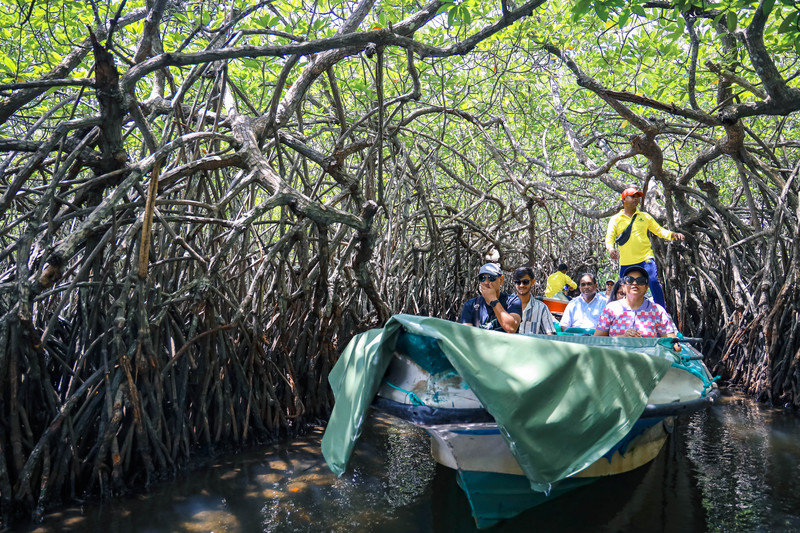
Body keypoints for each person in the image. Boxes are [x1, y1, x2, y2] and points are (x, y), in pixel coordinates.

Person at [604, 186, 685, 308]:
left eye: (638, 197)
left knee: (652, 281)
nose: (636, 199)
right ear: (624, 199)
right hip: (627, 261)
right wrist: (611, 249)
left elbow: (658, 230)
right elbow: (609, 237)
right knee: (624, 288)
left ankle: (660, 310)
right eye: (633, 196)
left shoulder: (645, 216)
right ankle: (625, 311)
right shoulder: (615, 219)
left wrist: (672, 235)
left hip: (645, 258)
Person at [594, 266, 680, 350]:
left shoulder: (658, 311)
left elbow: (674, 345)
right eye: (629, 280)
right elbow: (596, 341)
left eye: (640, 281)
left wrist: (645, 343)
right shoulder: (611, 308)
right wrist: (622, 338)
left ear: (646, 288)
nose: (635, 283)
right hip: (616, 357)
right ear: (623, 287)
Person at [460, 263, 521, 333]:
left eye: (491, 277)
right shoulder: (470, 305)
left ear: (501, 280)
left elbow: (511, 328)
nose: (486, 282)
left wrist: (493, 300)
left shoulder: (513, 301)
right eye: (482, 278)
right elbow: (467, 334)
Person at [513, 267, 556, 335]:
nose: (521, 285)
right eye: (518, 282)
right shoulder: (506, 304)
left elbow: (550, 335)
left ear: (532, 282)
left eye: (525, 282)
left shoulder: (541, 308)